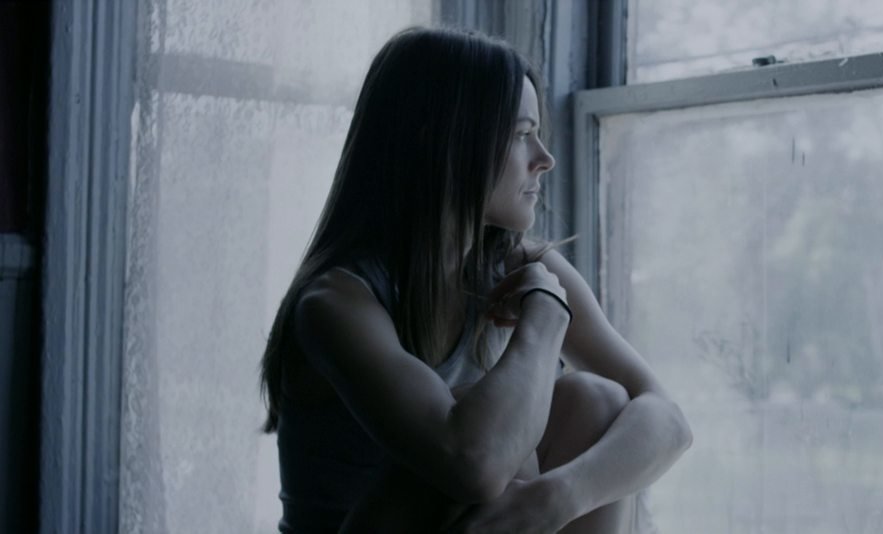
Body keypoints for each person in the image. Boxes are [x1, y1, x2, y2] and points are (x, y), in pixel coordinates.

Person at [256, 27, 692, 533]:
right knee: (493, 434)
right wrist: (545, 317)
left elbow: (668, 419)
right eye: (522, 134)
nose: (544, 158)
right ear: (440, 141)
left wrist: (559, 497)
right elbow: (474, 463)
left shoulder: (521, 268)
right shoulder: (336, 303)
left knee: (599, 402)